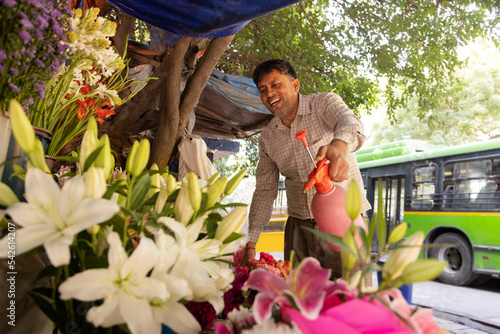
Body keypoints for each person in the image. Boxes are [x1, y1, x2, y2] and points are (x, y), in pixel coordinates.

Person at [241, 59, 371, 280]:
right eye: (263, 90)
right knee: (299, 302)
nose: (269, 93)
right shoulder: (268, 138)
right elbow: (264, 190)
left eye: (275, 84)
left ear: (295, 85)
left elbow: (350, 122)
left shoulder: (323, 104)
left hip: (345, 222)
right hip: (299, 231)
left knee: (351, 300)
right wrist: (251, 242)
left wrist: (340, 145)